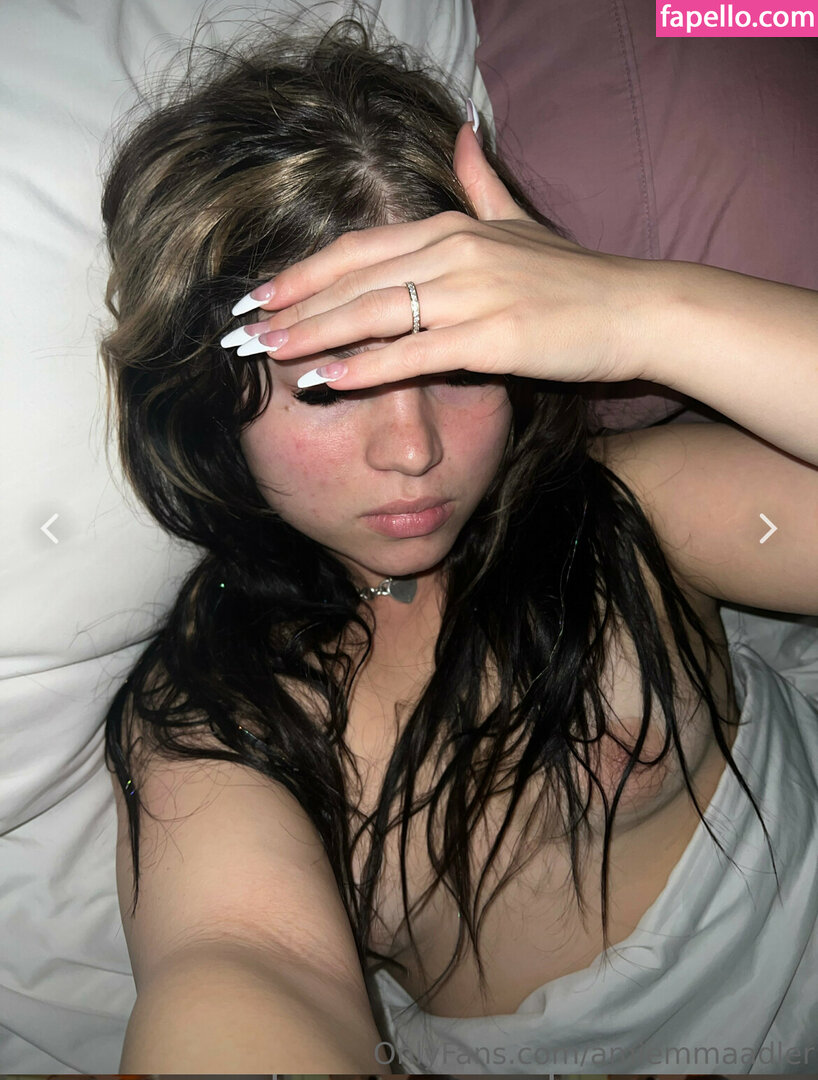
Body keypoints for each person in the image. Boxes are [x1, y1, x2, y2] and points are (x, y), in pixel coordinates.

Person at [99, 13, 818, 1075]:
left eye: (462, 365)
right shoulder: (224, 712)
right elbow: (243, 966)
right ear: (206, 400)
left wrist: (643, 312)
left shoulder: (627, 514)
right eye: (327, 384)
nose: (413, 449)